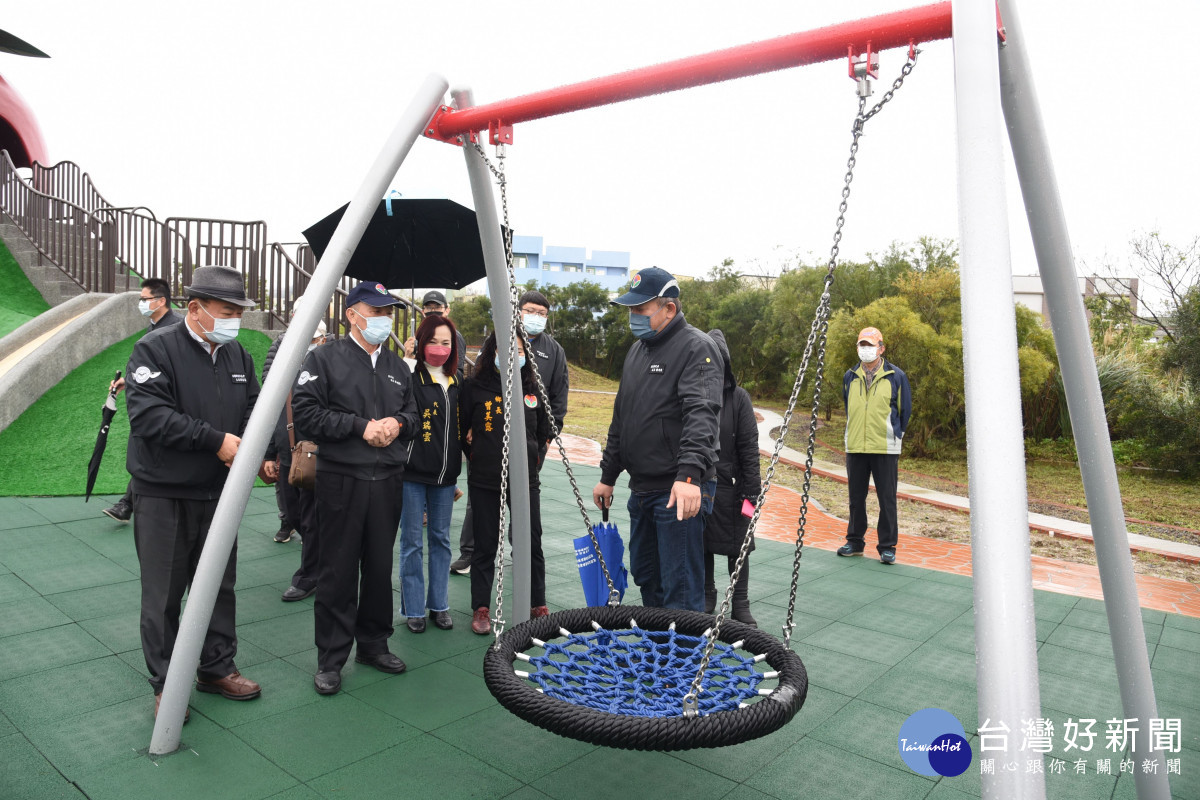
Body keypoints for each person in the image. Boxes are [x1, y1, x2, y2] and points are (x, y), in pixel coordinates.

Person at [124, 265, 265, 719]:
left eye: (238, 313)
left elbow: (252, 412)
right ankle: (166, 682)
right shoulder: (154, 349)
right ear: (196, 309)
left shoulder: (237, 356)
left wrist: (254, 451)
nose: (234, 321)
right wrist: (215, 441)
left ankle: (216, 667)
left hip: (218, 492)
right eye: (227, 312)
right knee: (163, 592)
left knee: (219, 586)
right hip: (163, 492)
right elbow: (149, 417)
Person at [291, 281, 418, 695]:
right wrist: (360, 427)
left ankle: (374, 643)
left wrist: (397, 424)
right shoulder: (323, 358)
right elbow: (307, 415)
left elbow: (414, 414)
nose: (384, 319)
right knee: (337, 570)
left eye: (387, 312)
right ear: (351, 315)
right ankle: (330, 657)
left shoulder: (399, 367)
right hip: (341, 480)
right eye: (376, 311)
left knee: (380, 568)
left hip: (388, 482)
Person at [592, 267, 723, 612]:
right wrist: (608, 476)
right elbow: (623, 417)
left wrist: (689, 477)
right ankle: (656, 651)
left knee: (680, 586)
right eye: (631, 310)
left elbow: (702, 415)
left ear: (669, 308)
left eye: (641, 309)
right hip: (643, 487)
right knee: (647, 575)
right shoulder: (638, 351)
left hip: (677, 488)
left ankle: (680, 661)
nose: (633, 316)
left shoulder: (696, 347)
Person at [449, 289, 568, 575]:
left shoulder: (554, 352)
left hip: (529, 439)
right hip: (491, 438)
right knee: (481, 502)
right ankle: (470, 552)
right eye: (530, 310)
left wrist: (546, 440)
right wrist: (473, 431)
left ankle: (522, 554)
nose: (535, 317)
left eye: (541, 313)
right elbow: (477, 381)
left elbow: (558, 400)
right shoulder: (497, 339)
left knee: (524, 500)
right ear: (518, 311)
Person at [462, 332, 551, 635]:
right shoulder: (475, 388)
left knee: (531, 541)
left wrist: (533, 458)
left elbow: (543, 431)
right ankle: (481, 608)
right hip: (486, 478)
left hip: (525, 479)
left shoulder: (531, 388)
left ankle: (537, 602)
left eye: (520, 349)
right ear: (492, 351)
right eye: (505, 348)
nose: (513, 354)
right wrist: (477, 454)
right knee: (485, 544)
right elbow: (464, 431)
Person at [398, 313, 462, 633]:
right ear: (421, 344)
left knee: (441, 540)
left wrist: (457, 474)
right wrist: (407, 361)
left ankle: (439, 605)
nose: (439, 348)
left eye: (445, 342)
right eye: (432, 341)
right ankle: (413, 608)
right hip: (411, 475)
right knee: (412, 542)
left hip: (445, 477)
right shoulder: (410, 376)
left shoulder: (457, 382)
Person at [103, 277, 186, 523]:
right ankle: (127, 504)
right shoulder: (154, 327)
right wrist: (126, 382)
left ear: (161, 301)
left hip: (167, 407)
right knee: (146, 452)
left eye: (144, 299)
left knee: (152, 452)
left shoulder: (177, 329)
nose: (141, 303)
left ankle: (128, 504)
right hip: (150, 405)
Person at [262, 307, 327, 602]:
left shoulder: (329, 362)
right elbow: (269, 408)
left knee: (313, 517)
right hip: (287, 448)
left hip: (316, 453)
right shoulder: (281, 357)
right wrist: (269, 453)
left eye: (315, 337)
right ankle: (321, 560)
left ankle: (309, 574)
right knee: (293, 513)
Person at [836, 326, 912, 565]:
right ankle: (855, 542)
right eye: (862, 345)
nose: (866, 350)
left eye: (870, 345)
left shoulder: (896, 376)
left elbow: (904, 410)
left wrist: (896, 434)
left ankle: (887, 546)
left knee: (886, 499)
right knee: (855, 498)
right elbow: (849, 407)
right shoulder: (850, 376)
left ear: (881, 348)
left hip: (885, 447)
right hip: (856, 446)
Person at [703, 330, 762, 626]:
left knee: (741, 542)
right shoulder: (695, 392)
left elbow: (749, 447)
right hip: (703, 485)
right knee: (701, 543)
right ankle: (707, 595)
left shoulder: (739, 399)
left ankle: (740, 600)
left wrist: (751, 491)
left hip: (738, 489)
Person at [404, 290, 466, 377]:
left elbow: (458, 367)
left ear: (447, 310)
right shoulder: (422, 333)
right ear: (423, 312)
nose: (433, 311)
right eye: (429, 308)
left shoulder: (454, 335)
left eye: (438, 307)